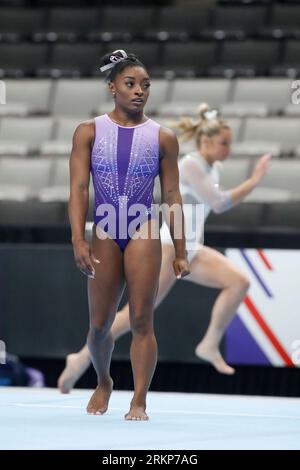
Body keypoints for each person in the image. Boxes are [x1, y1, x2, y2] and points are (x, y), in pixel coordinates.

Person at [61, 101, 271, 394]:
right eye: (224, 143)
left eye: (230, 143)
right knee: (134, 316)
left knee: (239, 282)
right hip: (169, 245)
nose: (228, 149)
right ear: (205, 141)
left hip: (193, 246)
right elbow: (220, 203)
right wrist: (255, 180)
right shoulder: (191, 165)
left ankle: (209, 344)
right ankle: (82, 358)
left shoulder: (215, 167)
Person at [68, 49, 189, 420]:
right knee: (100, 325)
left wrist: (181, 249)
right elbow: (78, 190)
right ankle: (104, 380)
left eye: (146, 85)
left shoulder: (163, 138)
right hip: (105, 228)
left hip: (143, 227)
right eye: (131, 84)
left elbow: (171, 196)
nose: (140, 91)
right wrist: (78, 238)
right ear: (112, 87)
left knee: (141, 320)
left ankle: (139, 399)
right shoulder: (88, 131)